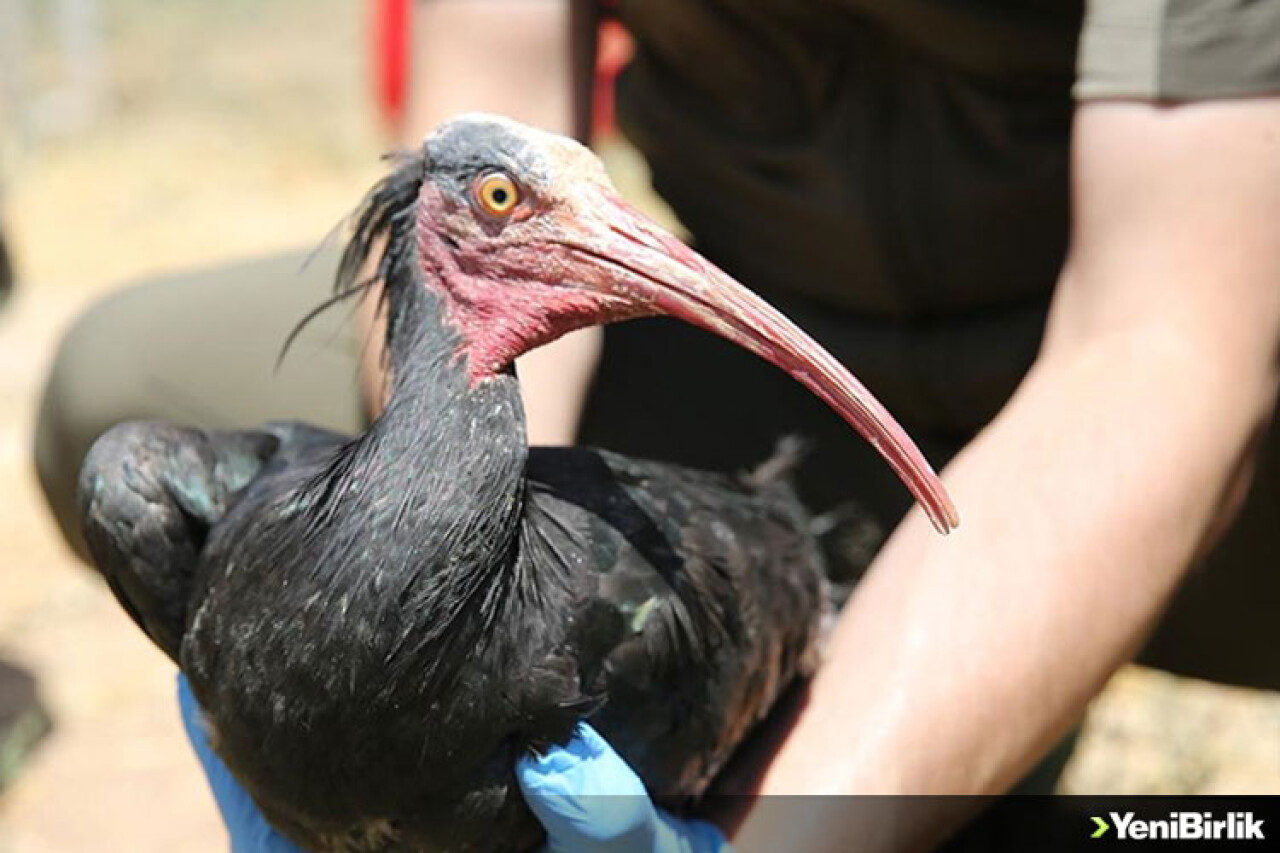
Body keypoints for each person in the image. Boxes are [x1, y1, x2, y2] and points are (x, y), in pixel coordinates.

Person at [34, 0, 1280, 850]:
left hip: (1141, 360)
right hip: (746, 325)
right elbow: (476, 129)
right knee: (123, 398)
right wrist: (408, 646)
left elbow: (1161, 345)